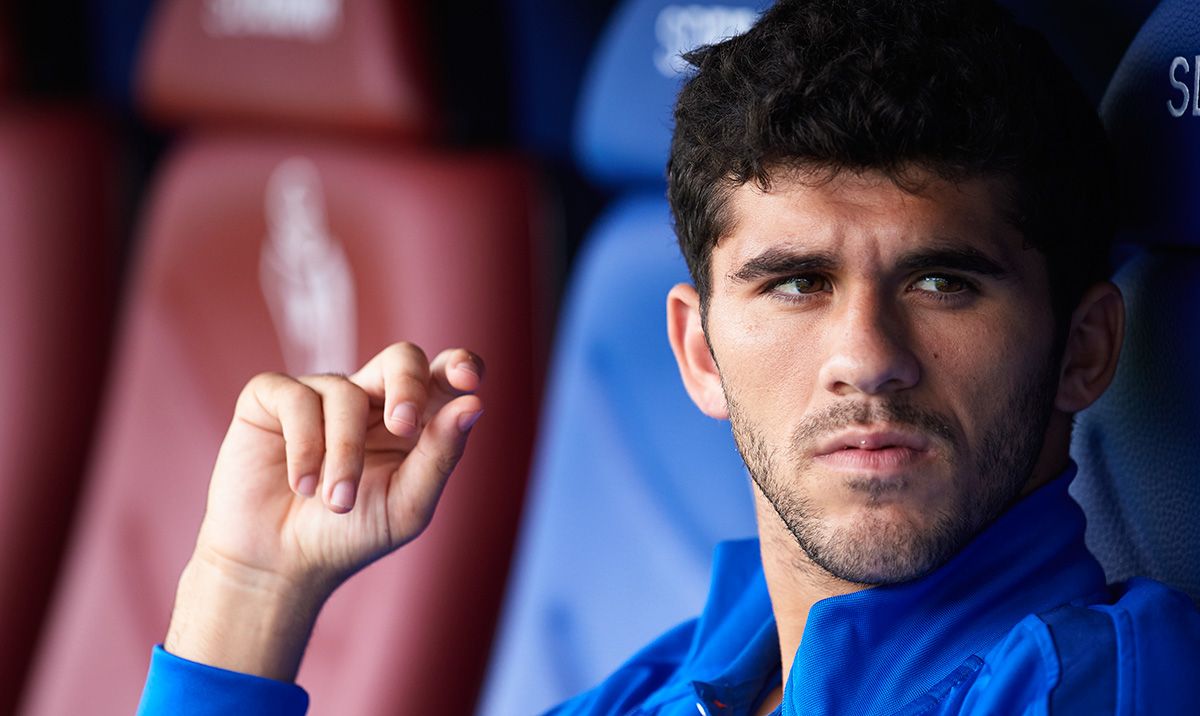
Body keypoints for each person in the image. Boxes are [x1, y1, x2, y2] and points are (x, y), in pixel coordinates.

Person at [137, 0, 1200, 714]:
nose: (866, 357)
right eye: (797, 283)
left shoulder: (1094, 683)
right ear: (698, 350)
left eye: (942, 283)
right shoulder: (680, 678)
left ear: (1086, 347)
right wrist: (249, 585)